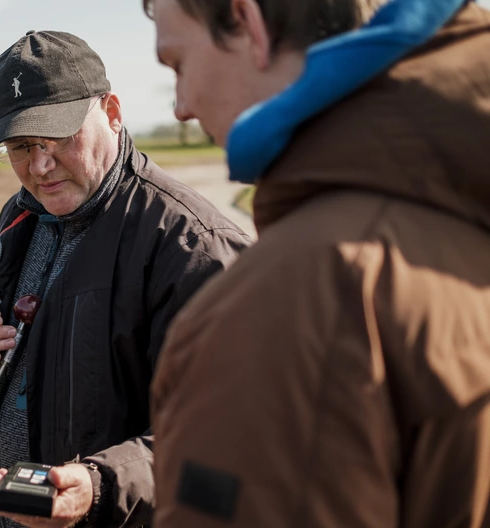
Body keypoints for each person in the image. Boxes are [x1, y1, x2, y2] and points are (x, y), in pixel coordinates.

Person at [144, 0, 490, 526]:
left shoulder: (296, 301)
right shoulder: (455, 204)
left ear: (249, 23)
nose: (181, 107)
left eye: (178, 64)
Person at [0, 30, 250, 528]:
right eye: (20, 146)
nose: (40, 166)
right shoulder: (20, 215)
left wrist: (98, 489)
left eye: (58, 137)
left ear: (112, 112)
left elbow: (227, 434)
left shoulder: (194, 246)